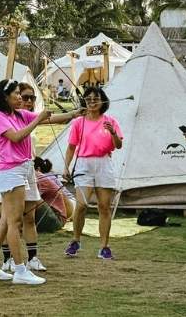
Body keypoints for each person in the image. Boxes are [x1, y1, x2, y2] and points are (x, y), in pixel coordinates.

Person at [0, 79, 82, 285]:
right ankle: (20, 269)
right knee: (14, 222)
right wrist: (37, 120)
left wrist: (74, 113)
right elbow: (16, 137)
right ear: (5, 96)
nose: (20, 97)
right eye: (16, 94)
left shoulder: (19, 114)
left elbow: (51, 119)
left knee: (7, 221)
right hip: (11, 172)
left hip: (23, 170)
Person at [63, 86, 123, 260]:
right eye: (88, 99)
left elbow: (118, 145)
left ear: (102, 101)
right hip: (83, 164)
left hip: (104, 163)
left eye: (95, 99)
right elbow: (71, 147)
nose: (92, 102)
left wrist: (112, 132)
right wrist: (66, 166)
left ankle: (104, 246)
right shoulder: (78, 122)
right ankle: (76, 240)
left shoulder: (110, 121)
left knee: (104, 206)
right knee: (81, 205)